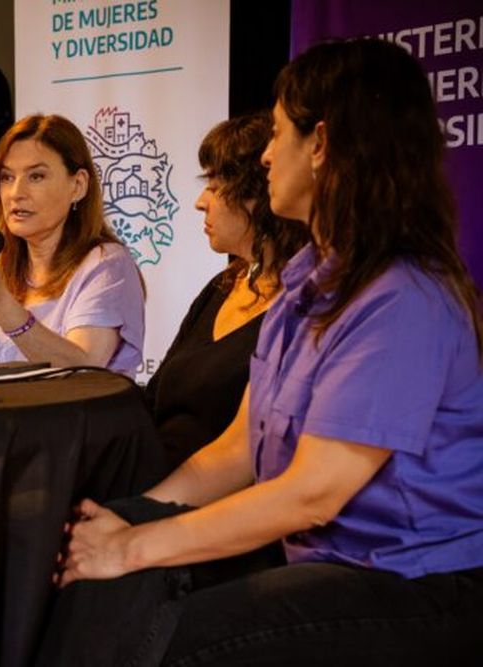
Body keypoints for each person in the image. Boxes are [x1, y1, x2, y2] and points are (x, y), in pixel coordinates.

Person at [39, 39, 483, 665]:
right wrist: (130, 520)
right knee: (75, 560)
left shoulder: (401, 297)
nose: (268, 156)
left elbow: (313, 493)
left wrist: (133, 547)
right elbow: (239, 448)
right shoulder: (308, 282)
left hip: (409, 582)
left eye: (278, 135)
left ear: (322, 145)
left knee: (164, 635)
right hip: (319, 556)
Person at [145, 111, 310, 471]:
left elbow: (244, 454)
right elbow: (154, 398)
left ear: (258, 199)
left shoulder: (304, 302)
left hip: (214, 499)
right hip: (161, 477)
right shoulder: (221, 287)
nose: (201, 201)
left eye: (216, 188)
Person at [0, 114, 145, 376]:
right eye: (6, 178)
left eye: (36, 176)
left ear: (78, 185)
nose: (16, 193)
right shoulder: (1, 268)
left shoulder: (106, 264)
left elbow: (85, 368)